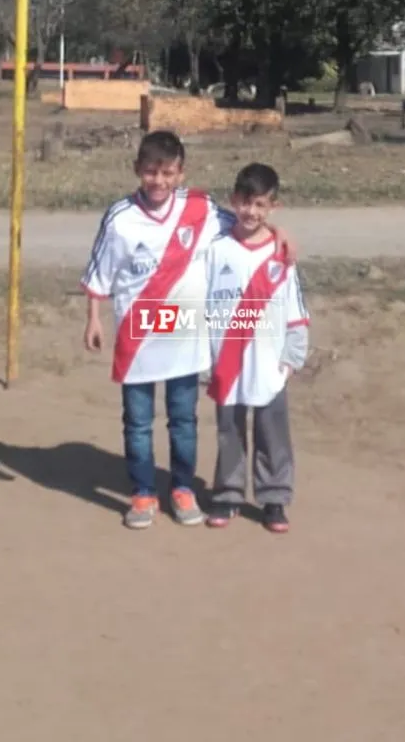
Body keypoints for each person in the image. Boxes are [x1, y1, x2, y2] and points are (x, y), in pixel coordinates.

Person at [80, 131, 294, 531]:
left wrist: (278, 232)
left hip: (184, 330)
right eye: (151, 172)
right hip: (139, 332)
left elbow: (246, 224)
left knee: (183, 419)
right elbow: (100, 271)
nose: (158, 181)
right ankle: (143, 492)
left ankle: (182, 488)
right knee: (138, 421)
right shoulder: (120, 218)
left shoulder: (201, 209)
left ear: (181, 174)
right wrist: (93, 317)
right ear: (137, 170)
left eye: (167, 173)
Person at [203, 163, 310, 534]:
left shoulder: (281, 256)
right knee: (228, 432)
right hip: (226, 361)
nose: (251, 212)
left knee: (272, 433)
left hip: (269, 363)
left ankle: (274, 497)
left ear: (273, 207)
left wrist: (291, 359)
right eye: (245, 202)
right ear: (234, 200)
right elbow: (197, 305)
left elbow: (296, 312)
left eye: (260, 205)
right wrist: (201, 358)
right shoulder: (216, 250)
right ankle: (228, 493)